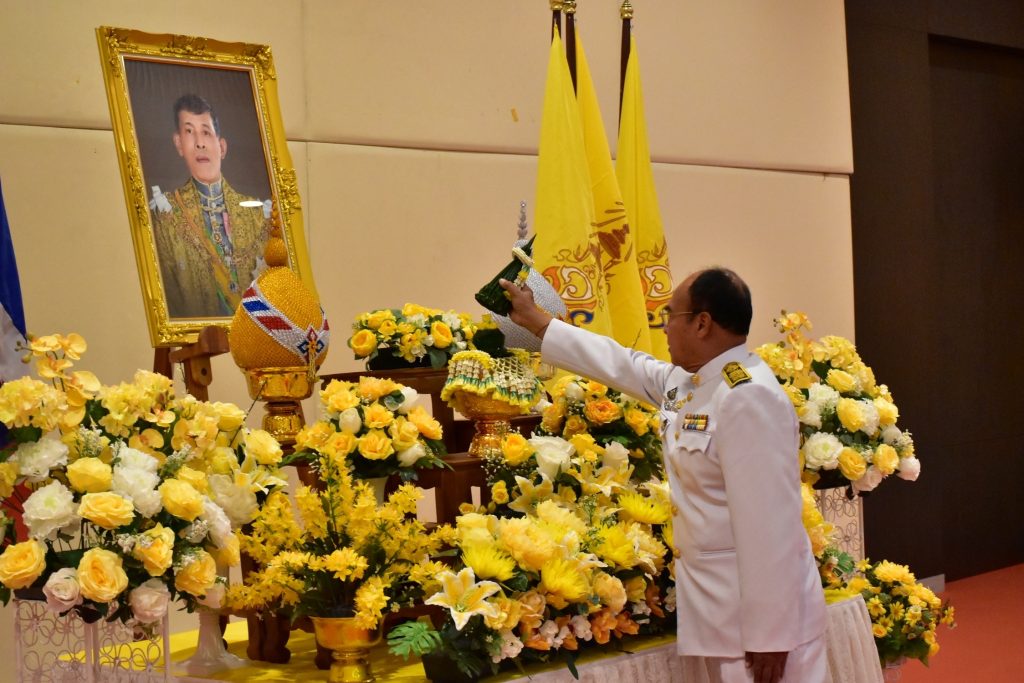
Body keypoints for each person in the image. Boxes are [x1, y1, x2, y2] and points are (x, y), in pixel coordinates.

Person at [500, 268, 826, 683]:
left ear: (702, 323)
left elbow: (771, 526)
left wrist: (770, 634)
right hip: (720, 617)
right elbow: (624, 364)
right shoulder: (692, 383)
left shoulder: (747, 396)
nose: (664, 327)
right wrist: (540, 322)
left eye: (670, 315)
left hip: (756, 630)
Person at [150, 94, 269, 318]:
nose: (200, 142)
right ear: (179, 144)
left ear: (221, 147)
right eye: (189, 132)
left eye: (206, 132)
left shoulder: (257, 215)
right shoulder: (166, 217)